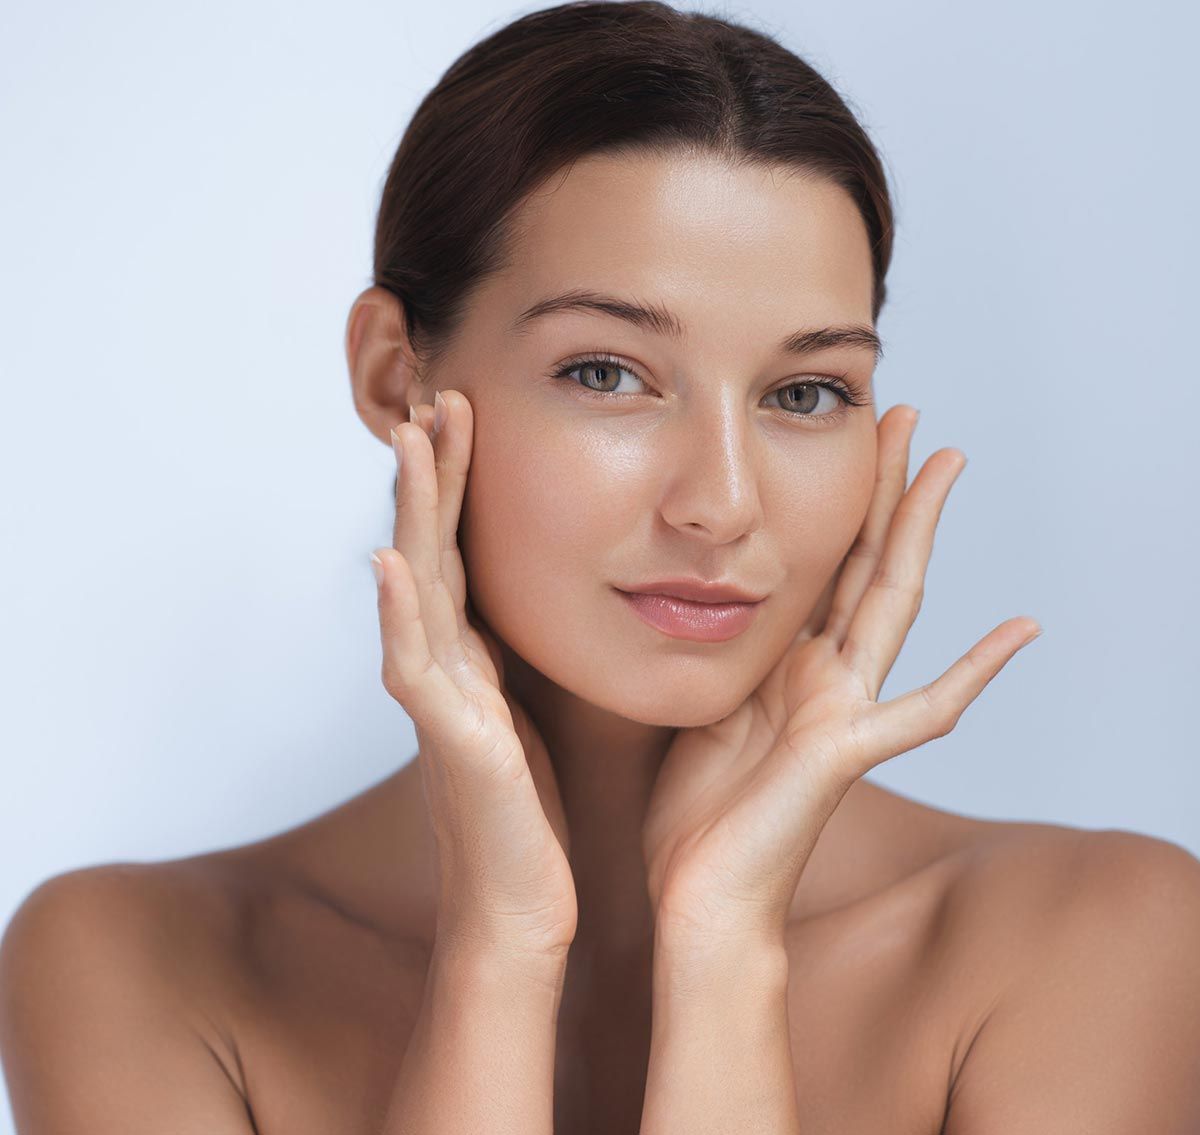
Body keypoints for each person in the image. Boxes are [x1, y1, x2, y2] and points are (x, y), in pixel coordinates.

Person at [3, 2, 1199, 1132]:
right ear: (395, 377)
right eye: (607, 373)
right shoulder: (135, 962)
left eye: (804, 393)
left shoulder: (1094, 938)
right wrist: (499, 943)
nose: (723, 504)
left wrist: (726, 943)